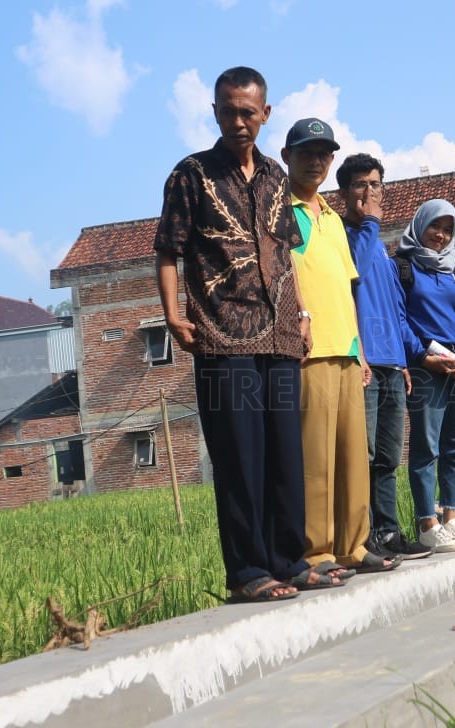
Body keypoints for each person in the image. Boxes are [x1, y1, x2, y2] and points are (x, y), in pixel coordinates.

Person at [153, 68, 340, 603]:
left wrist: (302, 315)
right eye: (228, 111)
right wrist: (172, 315)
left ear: (266, 114)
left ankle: (290, 560)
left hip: (280, 336)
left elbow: (285, 255)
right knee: (240, 457)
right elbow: (169, 249)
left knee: (285, 455)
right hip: (222, 335)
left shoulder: (279, 177)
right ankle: (249, 572)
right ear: (214, 111)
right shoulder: (191, 175)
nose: (238, 121)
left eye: (248, 112)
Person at [282, 118, 399, 575]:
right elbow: (285, 276)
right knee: (317, 461)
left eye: (323, 153)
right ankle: (318, 552)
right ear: (287, 156)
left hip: (349, 349)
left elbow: (350, 286)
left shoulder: (330, 217)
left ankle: (354, 546)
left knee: (354, 459)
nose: (315, 161)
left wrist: (363, 352)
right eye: (306, 152)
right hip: (310, 351)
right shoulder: (281, 212)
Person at [335, 153, 432, 560]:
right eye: (360, 184)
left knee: (389, 456)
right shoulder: (342, 236)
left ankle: (389, 533)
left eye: (375, 184)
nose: (369, 192)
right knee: (365, 454)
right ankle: (364, 537)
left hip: (392, 367)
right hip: (364, 366)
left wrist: (406, 362)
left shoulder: (381, 248)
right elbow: (349, 273)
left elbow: (394, 310)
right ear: (344, 192)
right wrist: (368, 222)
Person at [397, 199, 455, 553]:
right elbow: (398, 318)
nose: (441, 235)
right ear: (420, 226)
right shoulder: (402, 267)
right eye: (436, 226)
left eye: (448, 229)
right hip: (425, 367)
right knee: (426, 446)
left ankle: (451, 515)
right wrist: (421, 356)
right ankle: (426, 522)